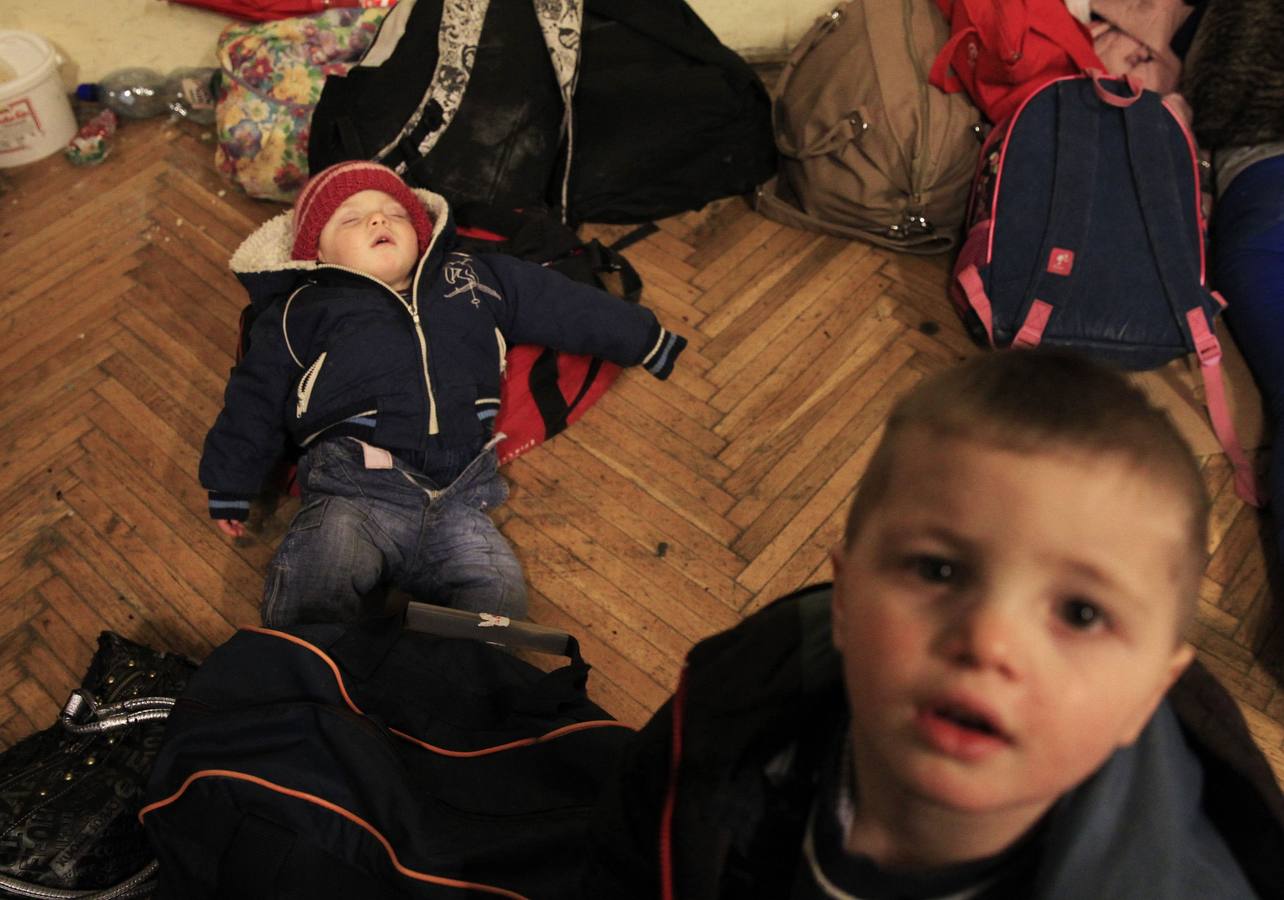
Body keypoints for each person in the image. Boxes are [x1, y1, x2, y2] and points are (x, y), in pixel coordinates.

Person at [585, 350, 1284, 899]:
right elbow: (629, 852)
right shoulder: (737, 701)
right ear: (845, 598)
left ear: (1148, 694)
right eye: (939, 571)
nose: (989, 641)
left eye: (1081, 612)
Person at [200, 161, 687, 627]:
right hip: (353, 488)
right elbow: (255, 396)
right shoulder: (302, 309)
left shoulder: (473, 274)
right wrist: (230, 482)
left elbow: (560, 303)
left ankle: (461, 684)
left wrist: (641, 338)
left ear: (420, 231)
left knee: (496, 592)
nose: (377, 218)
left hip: (460, 493)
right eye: (351, 217)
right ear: (317, 253)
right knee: (317, 579)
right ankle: (314, 684)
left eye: (394, 212)